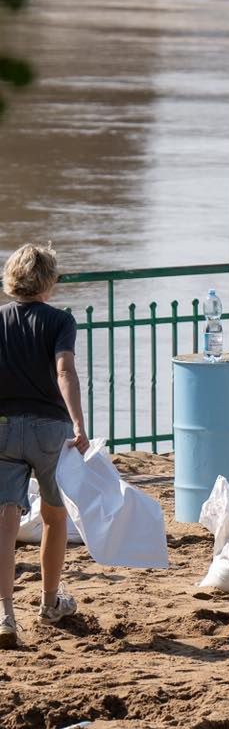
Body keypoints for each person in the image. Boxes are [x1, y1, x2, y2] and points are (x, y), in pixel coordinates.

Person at [1, 244, 90, 650]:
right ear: (49, 282)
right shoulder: (59, 321)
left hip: (3, 428)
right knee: (54, 518)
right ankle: (50, 602)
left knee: (5, 524)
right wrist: (77, 421)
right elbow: (64, 370)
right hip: (49, 429)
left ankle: (5, 615)